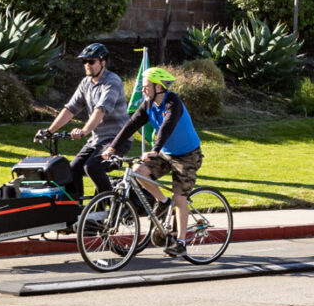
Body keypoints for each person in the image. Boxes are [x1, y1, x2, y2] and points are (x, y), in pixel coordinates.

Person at [109, 66, 204, 258]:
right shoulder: (148, 105)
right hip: (166, 153)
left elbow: (167, 126)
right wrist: (112, 147)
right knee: (138, 171)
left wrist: (155, 150)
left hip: (187, 155)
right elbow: (130, 125)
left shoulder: (172, 102)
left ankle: (181, 242)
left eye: (146, 86)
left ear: (159, 87)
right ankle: (162, 201)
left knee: (180, 199)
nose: (143, 90)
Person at [45, 43, 128, 198]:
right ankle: (79, 211)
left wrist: (84, 131)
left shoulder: (112, 82)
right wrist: (49, 131)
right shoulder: (86, 83)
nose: (87, 65)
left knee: (92, 167)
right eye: (84, 61)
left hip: (117, 140)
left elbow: (100, 111)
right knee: (73, 168)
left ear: (103, 62)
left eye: (91, 61)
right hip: (97, 140)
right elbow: (70, 109)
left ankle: (110, 209)